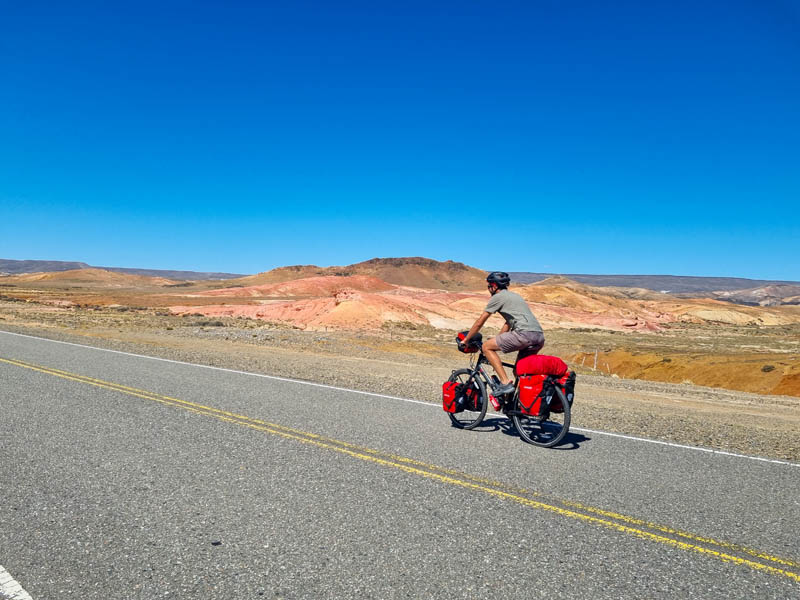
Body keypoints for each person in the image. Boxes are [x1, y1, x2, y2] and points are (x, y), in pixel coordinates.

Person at [460, 271, 545, 396]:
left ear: (494, 286)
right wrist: (499, 338)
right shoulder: (515, 296)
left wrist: (466, 340)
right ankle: (520, 405)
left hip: (524, 334)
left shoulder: (497, 297)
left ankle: (505, 383)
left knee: (486, 347)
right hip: (539, 336)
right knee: (519, 371)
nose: (489, 289)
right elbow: (508, 322)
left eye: (489, 286)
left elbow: (480, 321)